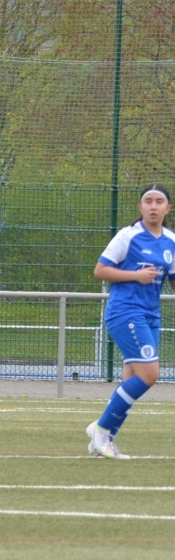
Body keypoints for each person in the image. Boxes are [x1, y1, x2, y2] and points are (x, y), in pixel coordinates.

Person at [86, 185, 174, 459]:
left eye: (159, 201)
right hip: (124, 312)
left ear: (168, 208)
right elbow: (100, 270)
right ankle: (100, 429)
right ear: (140, 207)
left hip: (150, 315)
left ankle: (104, 441)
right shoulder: (128, 235)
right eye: (148, 201)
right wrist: (135, 276)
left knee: (133, 380)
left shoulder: (171, 241)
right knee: (150, 375)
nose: (153, 206)